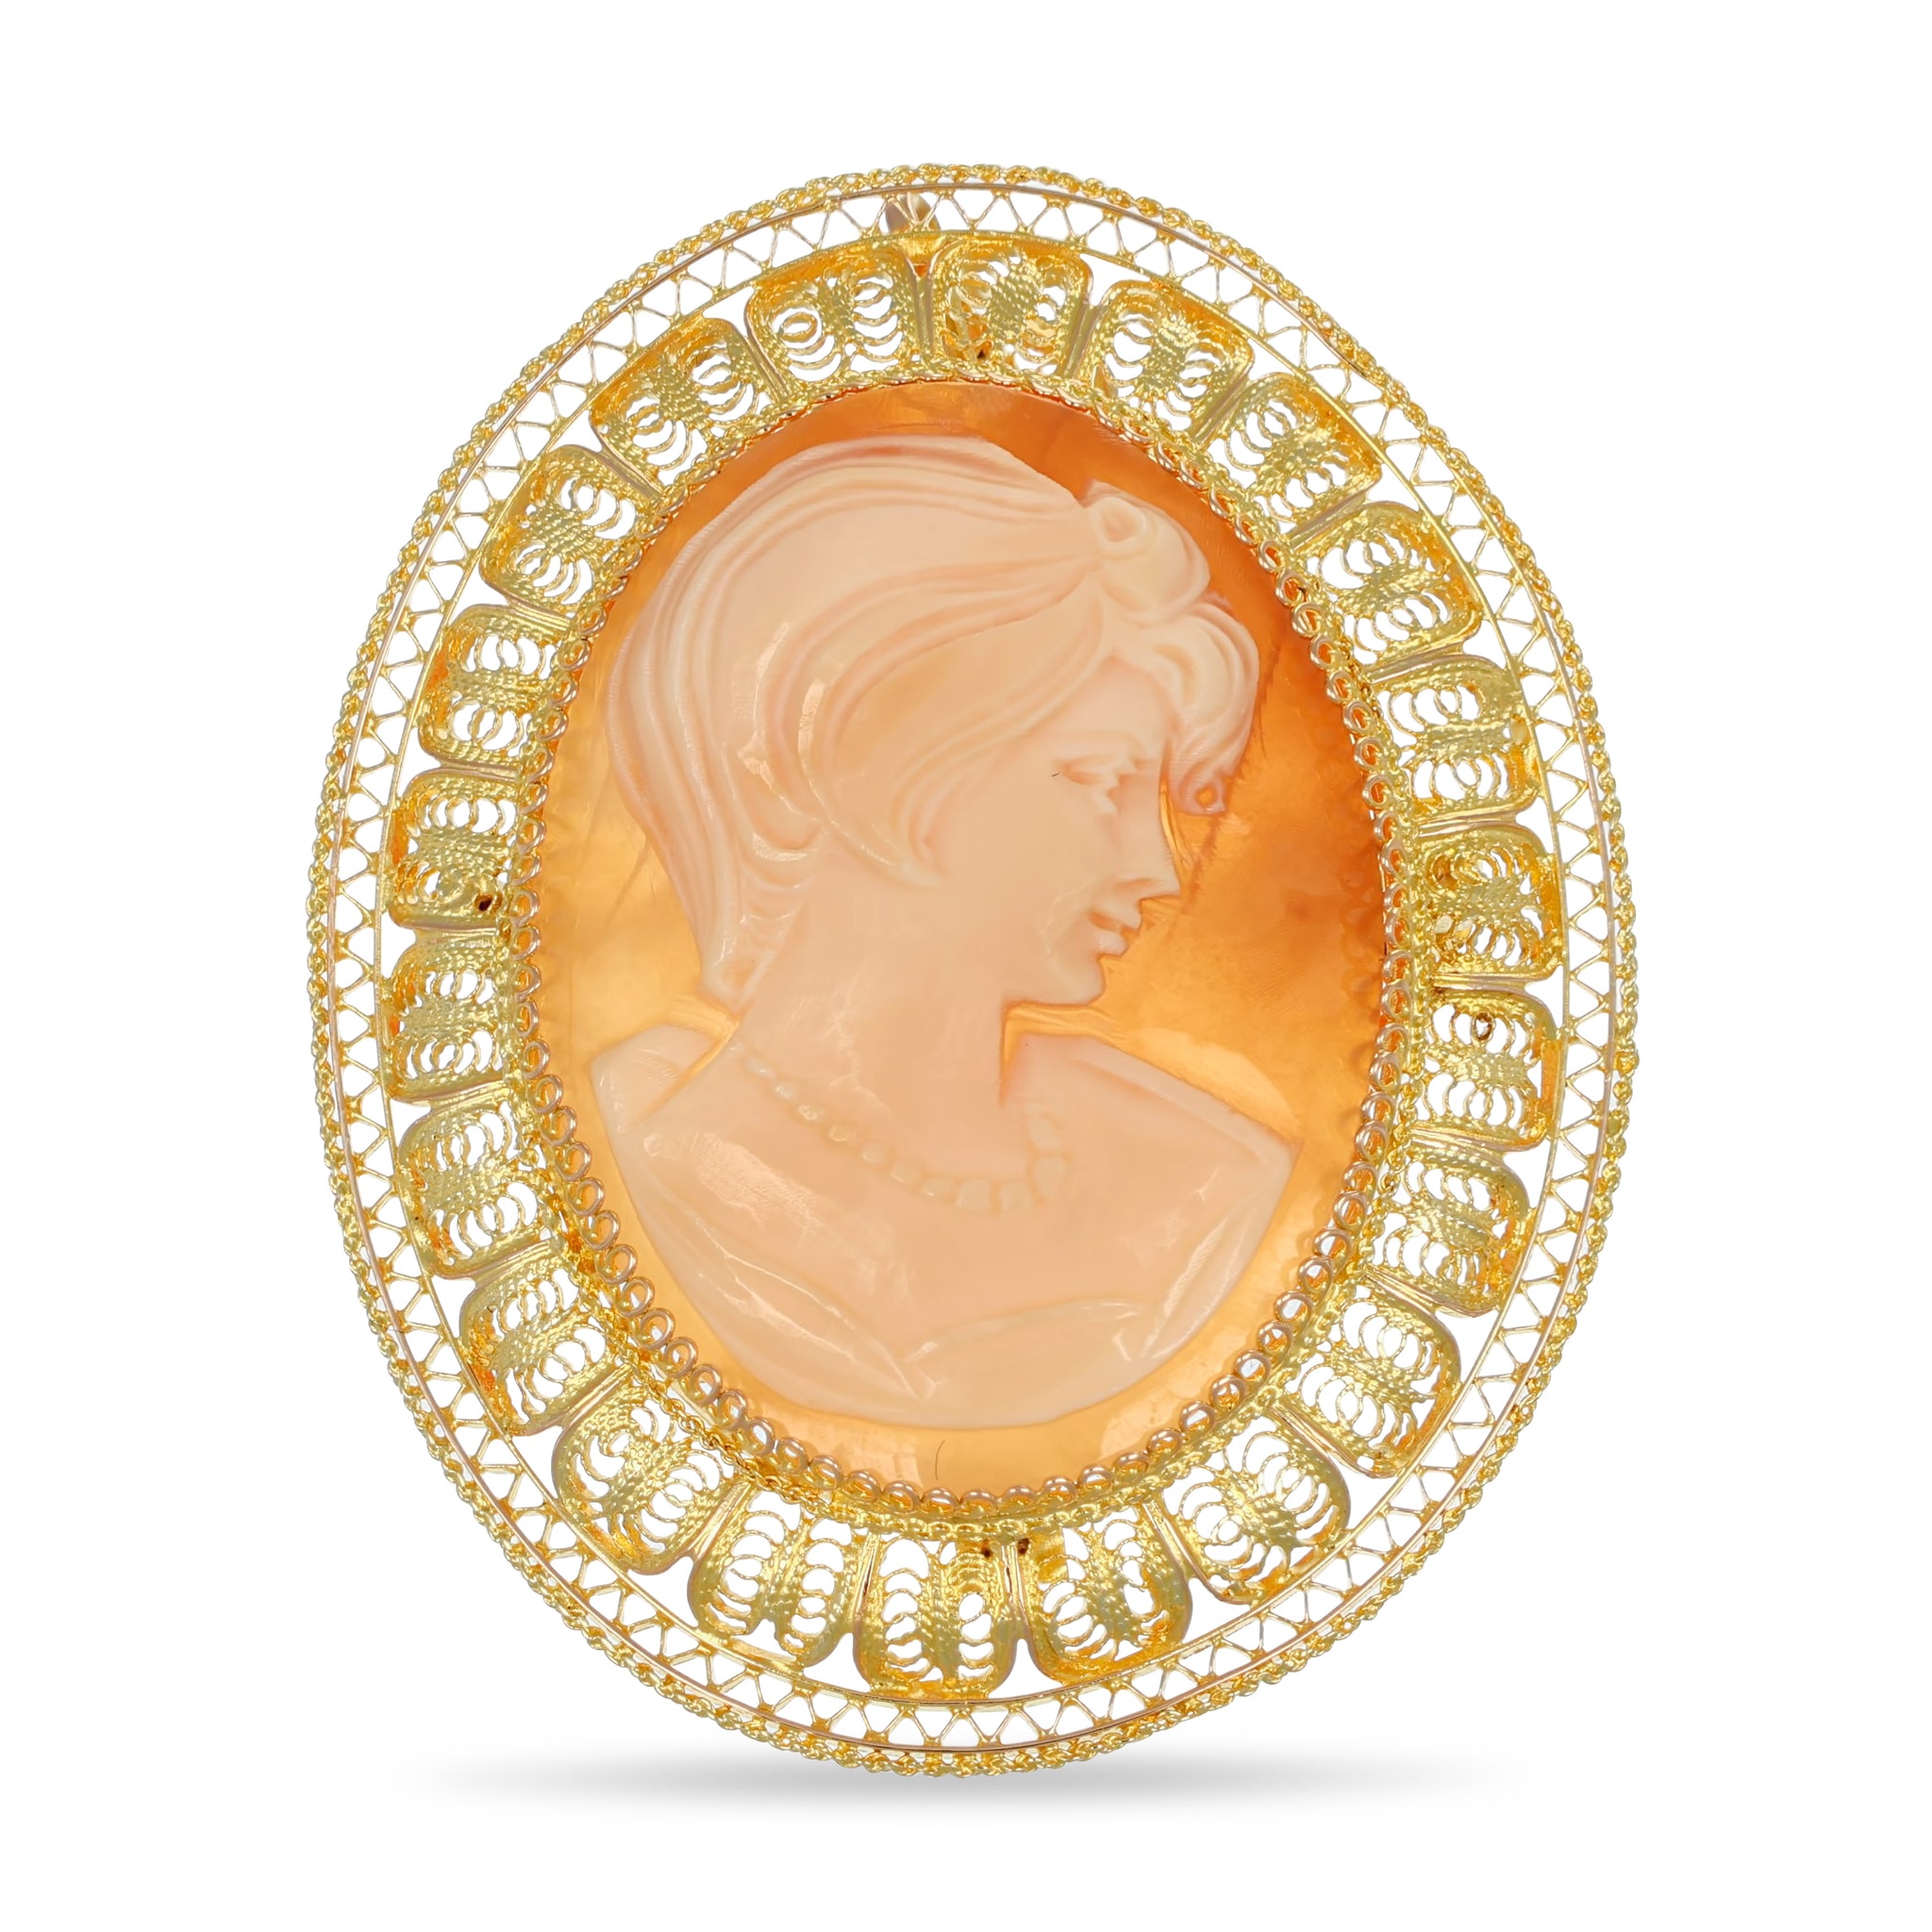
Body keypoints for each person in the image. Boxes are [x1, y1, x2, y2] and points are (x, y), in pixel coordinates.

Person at [592, 434, 1292, 1428]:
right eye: (1099, 779)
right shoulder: (659, 1178)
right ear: (876, 762)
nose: (1157, 869)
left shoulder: (1203, 1172)